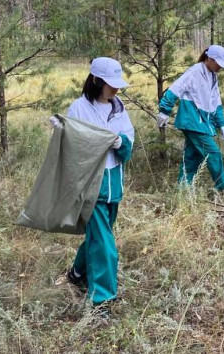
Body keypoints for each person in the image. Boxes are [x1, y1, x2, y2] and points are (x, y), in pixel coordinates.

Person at [50, 57, 134, 308]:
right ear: (96, 80)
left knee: (99, 236)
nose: (116, 89)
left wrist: (121, 143)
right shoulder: (79, 108)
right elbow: (73, 149)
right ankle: (102, 299)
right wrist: (62, 131)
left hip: (114, 186)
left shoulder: (119, 108)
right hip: (92, 186)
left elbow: (129, 145)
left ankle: (76, 274)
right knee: (105, 245)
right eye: (110, 84)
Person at [157, 45, 224, 197]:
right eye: (218, 63)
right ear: (209, 58)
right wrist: (164, 111)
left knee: (192, 157)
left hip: (202, 121)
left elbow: (216, 102)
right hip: (192, 120)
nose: (220, 67)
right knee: (213, 153)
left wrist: (221, 123)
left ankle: (182, 191)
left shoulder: (213, 76)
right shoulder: (195, 71)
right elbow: (175, 89)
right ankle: (223, 188)